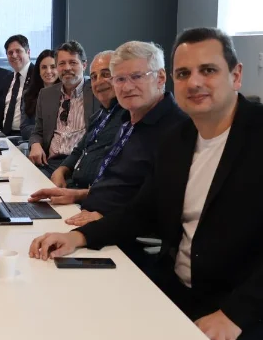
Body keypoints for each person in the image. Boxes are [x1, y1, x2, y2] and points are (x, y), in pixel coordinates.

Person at [29, 27, 263, 340]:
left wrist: (233, 314)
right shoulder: (178, 138)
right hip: (180, 292)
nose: (194, 82)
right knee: (92, 331)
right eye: (184, 73)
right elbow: (143, 209)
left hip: (254, 311)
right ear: (173, 80)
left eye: (208, 70)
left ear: (235, 75)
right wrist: (78, 236)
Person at [28, 41, 187, 229]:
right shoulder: (119, 117)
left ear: (160, 78)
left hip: (110, 221)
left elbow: (145, 201)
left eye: (136, 76)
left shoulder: (170, 128)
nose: (127, 87)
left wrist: (93, 217)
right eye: (120, 79)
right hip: (86, 200)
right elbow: (86, 155)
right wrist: (63, 172)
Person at [49, 51, 124, 189]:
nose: (99, 81)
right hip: (71, 185)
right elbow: (79, 150)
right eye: (94, 77)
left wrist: (76, 195)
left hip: (91, 197)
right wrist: (61, 170)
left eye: (106, 74)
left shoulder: (128, 118)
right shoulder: (99, 116)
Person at [25, 42, 99, 158]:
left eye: (73, 62)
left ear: (84, 65)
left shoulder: (96, 91)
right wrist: (35, 144)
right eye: (62, 63)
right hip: (49, 162)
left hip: (79, 163)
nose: (67, 68)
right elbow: (38, 132)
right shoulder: (46, 95)